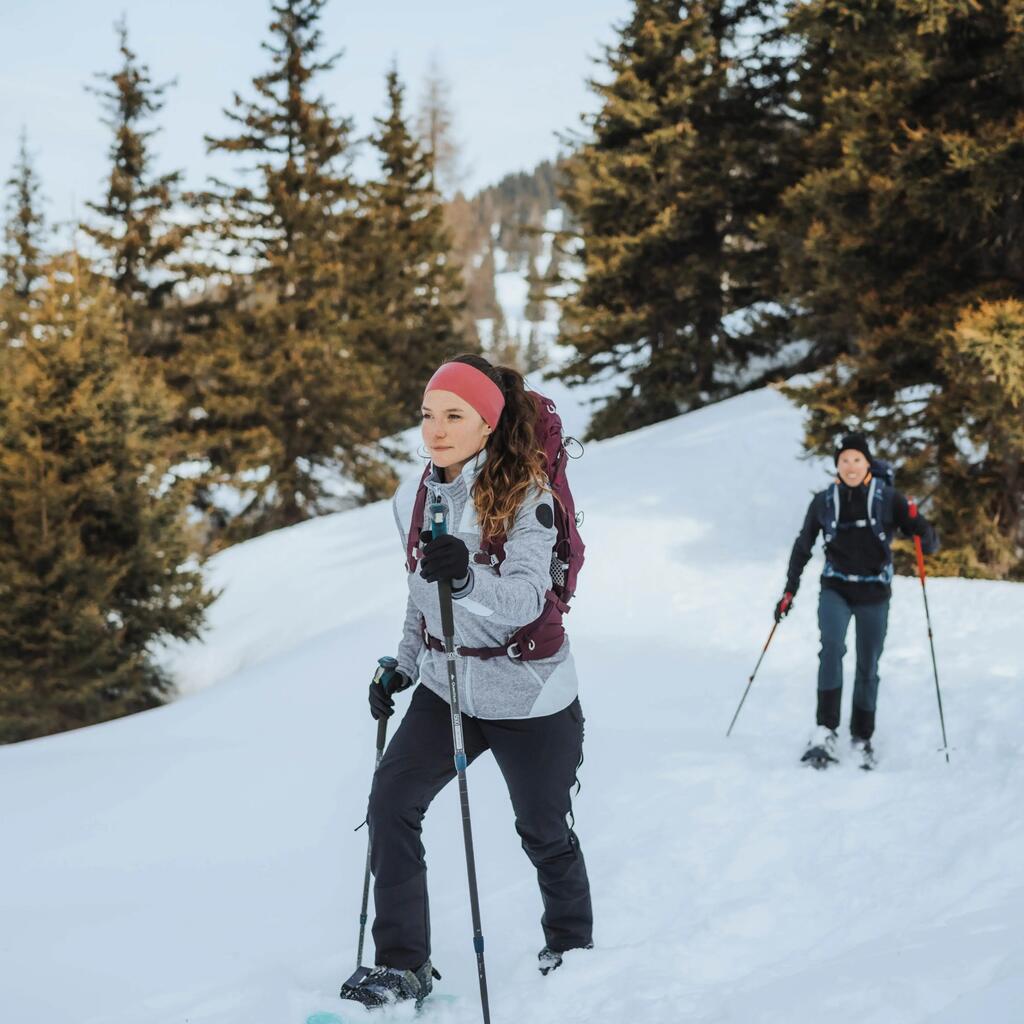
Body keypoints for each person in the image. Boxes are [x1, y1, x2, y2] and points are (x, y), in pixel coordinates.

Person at [340, 354, 593, 1009]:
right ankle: (403, 965)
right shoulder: (426, 493)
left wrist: (467, 578)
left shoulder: (527, 497)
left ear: (488, 424)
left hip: (529, 694)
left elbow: (530, 598)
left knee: (542, 828)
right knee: (392, 802)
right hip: (446, 684)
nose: (437, 428)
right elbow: (419, 592)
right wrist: (401, 661)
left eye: (455, 416)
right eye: (428, 415)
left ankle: (570, 946)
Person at [775, 433, 938, 768]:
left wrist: (916, 519)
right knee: (831, 649)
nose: (850, 466)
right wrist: (790, 589)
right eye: (844, 460)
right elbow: (803, 546)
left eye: (857, 459)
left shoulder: (888, 498)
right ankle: (824, 730)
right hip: (835, 587)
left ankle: (862, 736)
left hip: (874, 593)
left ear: (868, 464)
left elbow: (928, 543)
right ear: (837, 464)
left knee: (869, 664)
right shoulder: (823, 501)